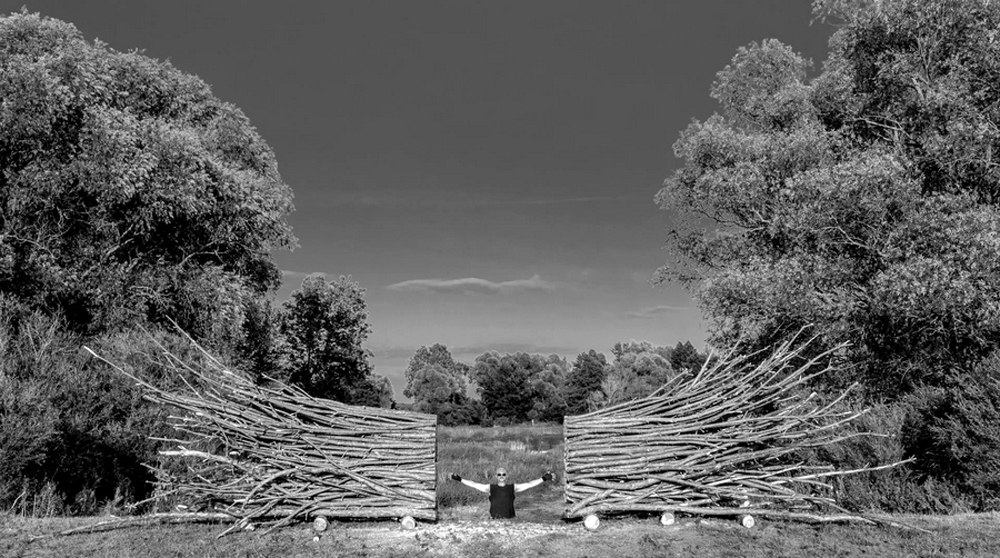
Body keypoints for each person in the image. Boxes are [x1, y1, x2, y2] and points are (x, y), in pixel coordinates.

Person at [449, 467, 554, 519]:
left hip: (511, 520)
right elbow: (473, 484)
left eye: (504, 474)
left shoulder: (513, 487)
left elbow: (530, 484)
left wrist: (544, 478)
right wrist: (459, 479)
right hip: (495, 521)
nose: (501, 476)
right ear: (496, 476)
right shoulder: (490, 488)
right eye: (499, 474)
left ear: (507, 476)